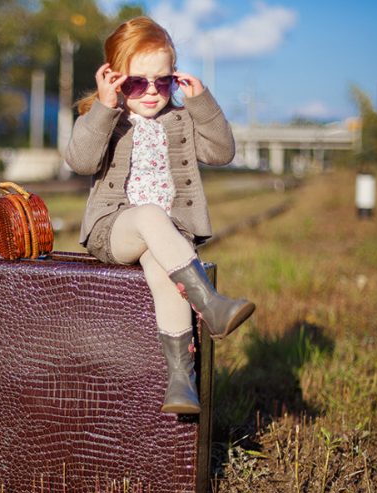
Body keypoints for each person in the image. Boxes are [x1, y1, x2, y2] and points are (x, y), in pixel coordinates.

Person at [65, 16, 255, 415]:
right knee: (150, 214)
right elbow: (80, 161)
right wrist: (103, 106)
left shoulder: (183, 121)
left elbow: (222, 152)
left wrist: (201, 102)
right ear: (115, 79)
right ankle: (210, 304)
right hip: (115, 231)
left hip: (168, 238)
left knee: (165, 277)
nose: (151, 92)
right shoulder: (105, 119)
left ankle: (180, 381)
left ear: (173, 79)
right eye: (137, 82)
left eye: (162, 81)